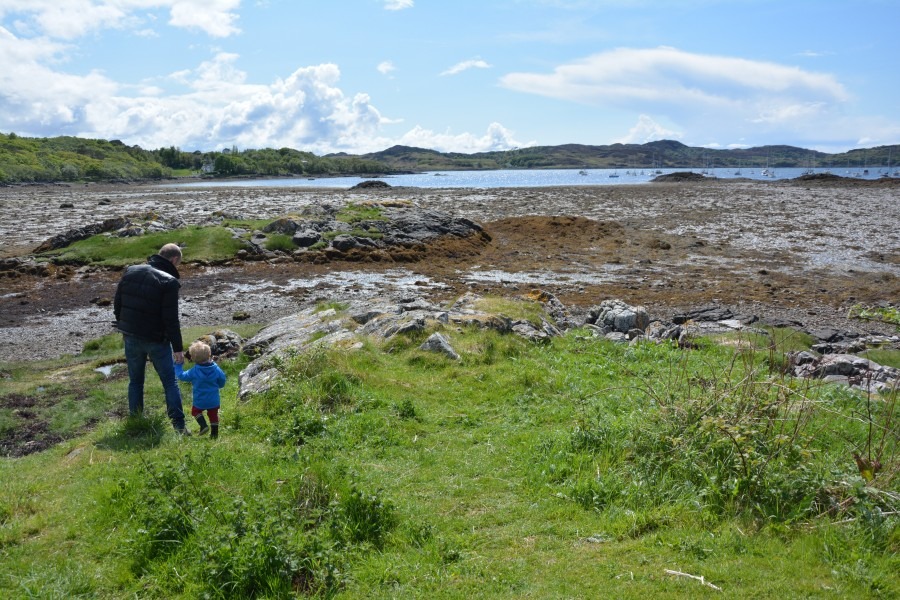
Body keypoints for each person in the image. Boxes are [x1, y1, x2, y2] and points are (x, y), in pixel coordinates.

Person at [114, 243, 190, 435]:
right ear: (173, 260)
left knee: (136, 382)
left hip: (130, 336)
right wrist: (178, 348)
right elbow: (171, 319)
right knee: (170, 382)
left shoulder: (131, 271)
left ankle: (136, 424)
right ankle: (179, 427)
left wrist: (124, 325)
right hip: (156, 339)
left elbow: (118, 303)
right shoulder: (170, 282)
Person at [175, 340, 227, 438]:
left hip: (200, 400)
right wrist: (219, 386)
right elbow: (222, 379)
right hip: (214, 399)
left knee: (195, 412)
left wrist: (178, 366)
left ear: (194, 358)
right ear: (209, 354)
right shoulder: (216, 369)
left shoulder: (194, 371)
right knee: (213, 415)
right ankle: (214, 434)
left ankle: (203, 425)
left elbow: (182, 376)